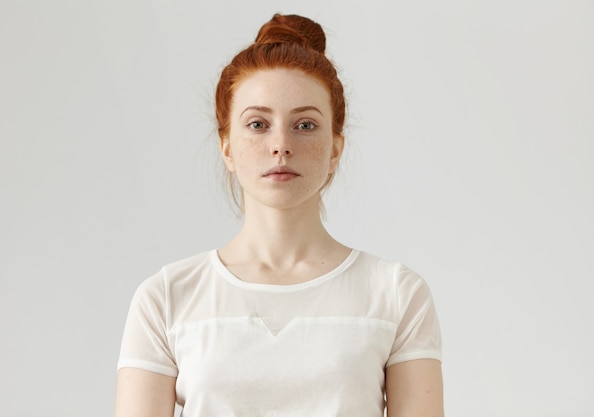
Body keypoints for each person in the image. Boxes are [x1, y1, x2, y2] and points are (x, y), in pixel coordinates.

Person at [115, 13, 443, 417]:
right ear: (227, 147)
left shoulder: (396, 294)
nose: (281, 144)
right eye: (257, 124)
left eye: (305, 124)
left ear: (336, 148)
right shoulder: (166, 298)